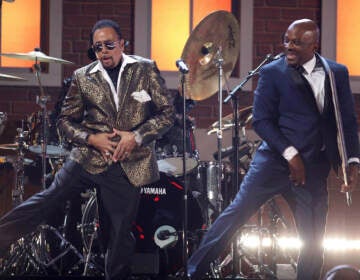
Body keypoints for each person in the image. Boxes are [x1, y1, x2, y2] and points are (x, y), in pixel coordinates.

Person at [0, 19, 175, 280]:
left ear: (122, 44)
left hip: (127, 163)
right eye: (97, 47)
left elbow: (167, 114)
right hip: (87, 158)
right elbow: (64, 121)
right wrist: (92, 139)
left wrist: (136, 137)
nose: (103, 51)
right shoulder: (83, 77)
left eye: (109, 45)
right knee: (46, 201)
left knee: (118, 235)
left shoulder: (145, 70)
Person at [187, 18, 359, 280]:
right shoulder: (273, 72)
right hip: (273, 163)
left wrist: (353, 161)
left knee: (313, 238)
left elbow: (346, 120)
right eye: (286, 40)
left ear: (314, 44)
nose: (289, 47)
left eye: (297, 43)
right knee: (234, 215)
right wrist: (291, 155)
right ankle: (192, 272)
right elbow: (262, 121)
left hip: (314, 166)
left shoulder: (336, 73)